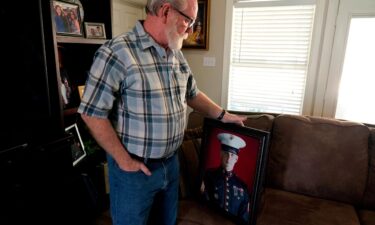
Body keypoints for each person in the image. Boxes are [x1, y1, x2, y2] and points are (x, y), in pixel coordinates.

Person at [78, 0, 247, 225]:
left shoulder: (175, 53)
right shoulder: (116, 52)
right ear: (166, 11)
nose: (190, 29)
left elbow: (192, 94)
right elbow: (91, 112)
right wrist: (123, 160)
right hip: (135, 171)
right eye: (188, 20)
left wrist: (223, 115)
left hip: (171, 165)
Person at [201, 133, 250, 223]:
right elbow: (203, 205)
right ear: (220, 154)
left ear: (236, 159)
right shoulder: (209, 176)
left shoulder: (242, 186)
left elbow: (244, 217)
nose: (228, 158)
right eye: (226, 154)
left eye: (232, 155)